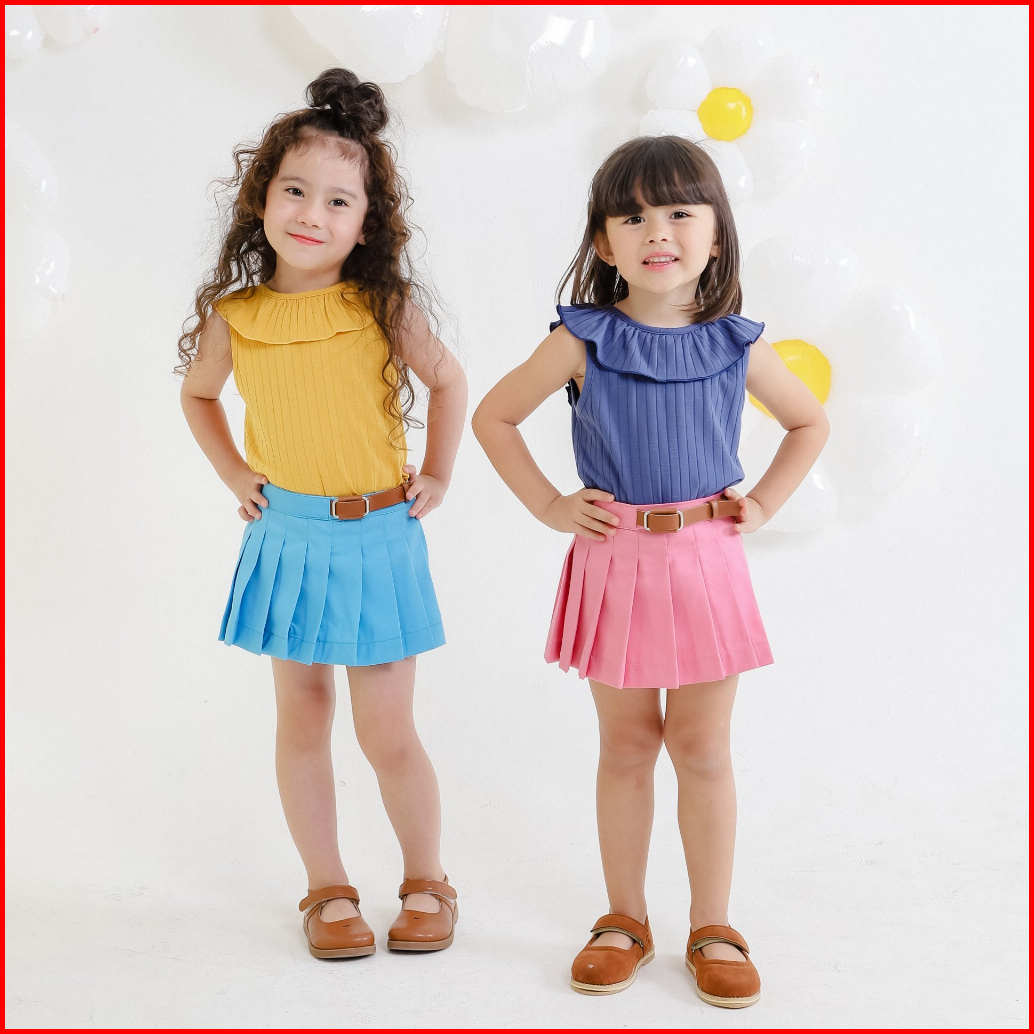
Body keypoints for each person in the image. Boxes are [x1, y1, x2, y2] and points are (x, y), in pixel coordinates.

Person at [472, 135, 828, 1008]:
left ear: (717, 232)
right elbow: (493, 418)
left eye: (678, 212)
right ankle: (624, 920)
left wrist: (764, 503)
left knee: (702, 748)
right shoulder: (582, 338)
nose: (657, 231)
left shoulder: (738, 342)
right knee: (627, 746)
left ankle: (714, 925)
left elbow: (808, 423)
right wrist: (551, 505)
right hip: (614, 561)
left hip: (706, 562)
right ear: (603, 242)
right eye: (631, 217)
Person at [179, 68, 467, 960]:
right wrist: (236, 473)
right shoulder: (237, 316)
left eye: (338, 200)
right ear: (262, 198)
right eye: (295, 191)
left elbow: (449, 380)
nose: (312, 213)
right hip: (287, 540)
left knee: (386, 731)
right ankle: (327, 887)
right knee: (301, 721)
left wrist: (438, 471)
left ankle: (428, 880)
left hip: (378, 538)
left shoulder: (382, 306)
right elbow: (198, 397)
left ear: (366, 223)